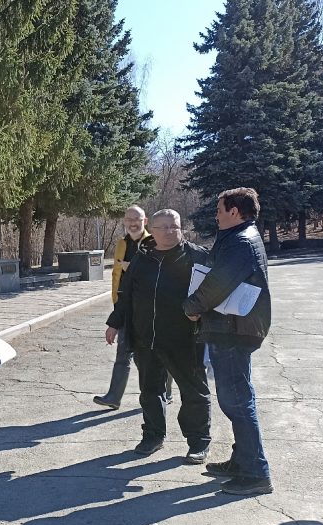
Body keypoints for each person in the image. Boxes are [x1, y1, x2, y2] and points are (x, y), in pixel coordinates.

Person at [184, 188, 273, 496]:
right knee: (236, 399)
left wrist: (192, 306)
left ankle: (256, 473)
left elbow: (218, 283)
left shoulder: (241, 242)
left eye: (220, 210)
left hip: (233, 331)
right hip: (232, 329)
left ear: (234, 212)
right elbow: (215, 266)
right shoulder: (238, 237)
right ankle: (243, 460)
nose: (216, 215)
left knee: (237, 401)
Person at [106, 209, 212, 462]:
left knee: (193, 392)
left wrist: (201, 312)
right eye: (162, 227)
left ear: (181, 228)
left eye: (174, 226)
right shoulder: (142, 258)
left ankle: (199, 442)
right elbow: (127, 294)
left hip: (185, 340)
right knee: (150, 391)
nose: (168, 231)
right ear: (152, 230)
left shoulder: (197, 257)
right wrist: (114, 323)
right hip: (146, 339)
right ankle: (153, 436)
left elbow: (214, 293)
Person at [95, 205, 173, 409]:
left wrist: (133, 268)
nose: (132, 223)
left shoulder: (154, 242)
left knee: (153, 355)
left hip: (148, 310)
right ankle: (113, 397)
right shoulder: (122, 243)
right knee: (123, 354)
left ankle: (165, 392)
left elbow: (160, 272)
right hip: (124, 306)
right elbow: (117, 276)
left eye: (136, 219)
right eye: (128, 219)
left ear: (144, 221)